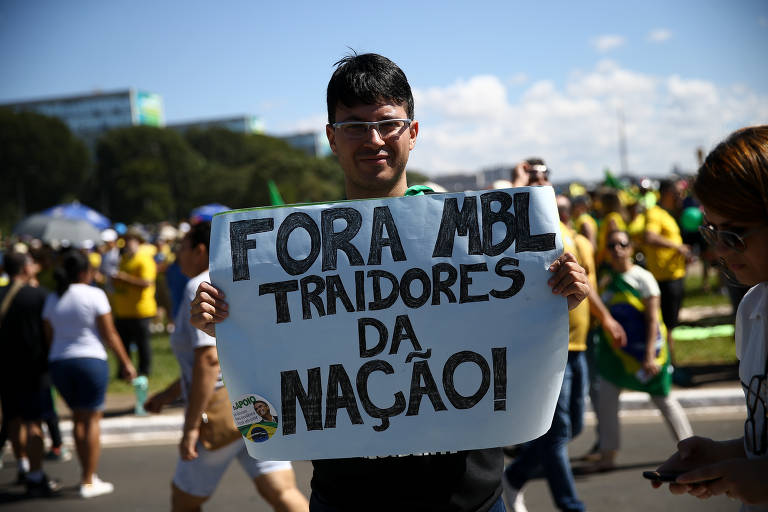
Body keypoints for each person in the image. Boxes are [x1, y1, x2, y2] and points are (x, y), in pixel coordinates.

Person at [189, 53, 591, 512]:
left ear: (413, 132)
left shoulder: (471, 237)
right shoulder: (292, 255)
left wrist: (551, 297)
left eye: (388, 124)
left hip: (470, 498)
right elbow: (285, 349)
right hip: (348, 499)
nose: (373, 139)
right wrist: (229, 320)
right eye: (354, 126)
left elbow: (500, 328)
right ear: (331, 138)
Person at [144, 222, 308, 512]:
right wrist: (168, 395)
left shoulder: (200, 287)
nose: (178, 255)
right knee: (281, 491)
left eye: (182, 248)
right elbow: (227, 355)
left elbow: (209, 360)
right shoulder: (240, 280)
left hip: (219, 412)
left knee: (183, 500)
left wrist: (191, 428)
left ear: (200, 250)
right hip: (257, 404)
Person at [652, 125, 768, 509]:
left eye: (733, 234)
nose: (719, 250)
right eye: (711, 232)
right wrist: (724, 454)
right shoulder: (753, 309)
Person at [586, 230, 692, 472]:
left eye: (622, 244)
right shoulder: (606, 279)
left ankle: (690, 450)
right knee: (606, 402)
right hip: (616, 355)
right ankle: (607, 455)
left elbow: (653, 320)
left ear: (631, 248)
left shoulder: (643, 278)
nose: (617, 249)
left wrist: (649, 355)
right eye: (611, 245)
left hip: (645, 351)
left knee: (664, 399)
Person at [43, 249, 137, 498]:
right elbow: (110, 333)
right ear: (85, 272)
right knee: (92, 420)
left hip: (59, 363)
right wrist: (126, 363)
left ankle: (86, 475)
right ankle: (88, 479)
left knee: (78, 419)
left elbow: (49, 336)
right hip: (90, 360)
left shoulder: (53, 297)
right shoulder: (95, 294)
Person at [0, 251, 61, 496]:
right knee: (34, 422)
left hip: (6, 368)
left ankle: (22, 466)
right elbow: (50, 329)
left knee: (13, 420)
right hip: (35, 368)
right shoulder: (38, 295)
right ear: (26, 268)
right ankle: (36, 475)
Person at [112, 227, 157, 377]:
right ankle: (124, 372)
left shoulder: (144, 259)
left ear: (138, 242)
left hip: (140, 310)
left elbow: (147, 283)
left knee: (142, 344)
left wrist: (125, 279)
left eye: (130, 240)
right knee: (123, 344)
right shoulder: (124, 259)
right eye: (126, 240)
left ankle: (144, 372)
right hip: (123, 310)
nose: (127, 243)